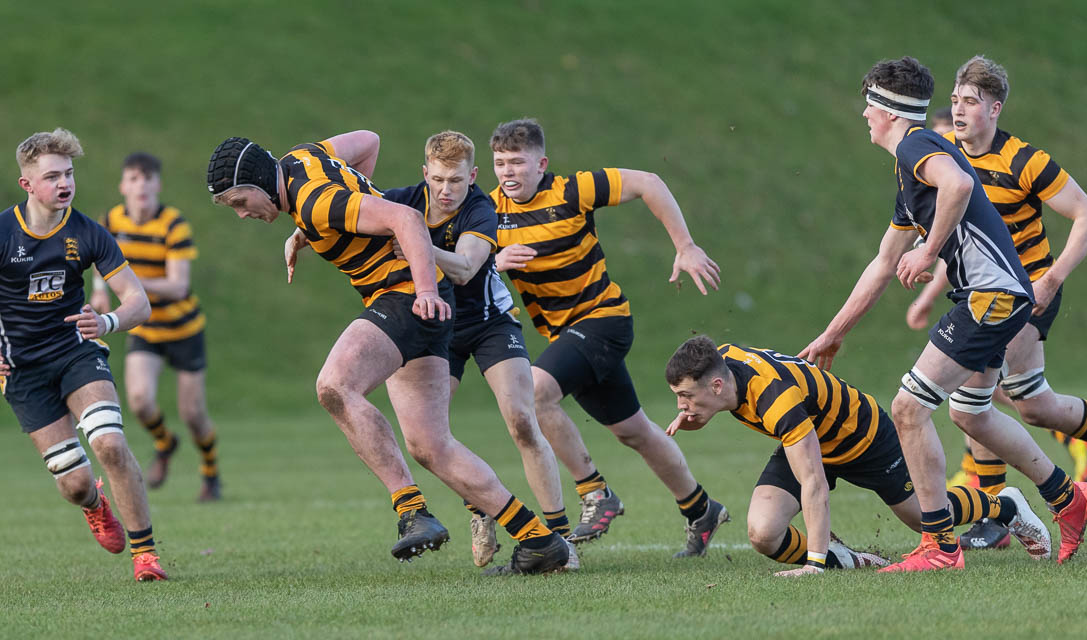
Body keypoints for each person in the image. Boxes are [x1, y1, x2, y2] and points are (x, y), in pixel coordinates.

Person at [207, 131, 571, 575]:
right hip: (424, 299)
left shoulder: (317, 201)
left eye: (241, 202)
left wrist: (420, 289)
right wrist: (347, 209)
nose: (243, 214)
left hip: (407, 297)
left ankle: (411, 510)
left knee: (335, 386)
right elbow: (369, 141)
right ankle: (539, 541)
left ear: (261, 182)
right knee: (430, 446)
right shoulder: (303, 158)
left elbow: (405, 219)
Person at [800, 57, 1087, 570]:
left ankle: (939, 547)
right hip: (993, 296)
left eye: (869, 104)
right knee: (969, 412)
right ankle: (1068, 498)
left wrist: (929, 247)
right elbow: (882, 264)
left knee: (909, 408)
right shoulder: (912, 167)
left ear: (890, 111)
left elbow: (959, 189)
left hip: (992, 298)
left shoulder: (918, 145)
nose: (864, 115)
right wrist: (832, 335)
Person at [0, 128, 166, 581]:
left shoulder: (88, 233)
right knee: (75, 483)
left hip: (77, 353)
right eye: (54, 176)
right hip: (22, 370)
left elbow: (138, 301)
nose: (65, 184)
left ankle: (146, 556)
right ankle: (96, 505)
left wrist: (107, 323)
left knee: (111, 445)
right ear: (28, 185)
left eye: (70, 174)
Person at [489, 118, 727, 557]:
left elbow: (649, 183)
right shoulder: (489, 213)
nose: (508, 173)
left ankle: (595, 493)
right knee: (634, 431)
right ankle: (701, 509)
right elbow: (462, 261)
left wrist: (685, 245)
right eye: (500, 163)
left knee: (535, 392)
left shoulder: (572, 191)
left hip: (604, 320)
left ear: (541, 164)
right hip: (569, 336)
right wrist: (493, 259)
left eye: (518, 163)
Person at [904, 56, 1087, 549]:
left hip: (1027, 293)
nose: (958, 110)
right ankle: (1029, 501)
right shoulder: (945, 156)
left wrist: (1052, 279)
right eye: (954, 100)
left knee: (972, 398)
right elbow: (957, 239)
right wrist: (930, 285)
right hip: (982, 292)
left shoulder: (1024, 160)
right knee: (1035, 406)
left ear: (995, 109)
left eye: (970, 102)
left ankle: (996, 514)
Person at [664, 336, 1051, 577]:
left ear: (715, 384)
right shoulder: (723, 363)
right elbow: (726, 403)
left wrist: (813, 566)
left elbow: (814, 482)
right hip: (809, 435)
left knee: (924, 519)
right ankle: (846, 560)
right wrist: (698, 414)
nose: (681, 405)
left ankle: (1005, 507)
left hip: (864, 437)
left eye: (685, 396)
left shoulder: (775, 399)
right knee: (763, 533)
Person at [373, 131, 571, 569]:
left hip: (488, 325)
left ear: (473, 176)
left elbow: (463, 269)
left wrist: (411, 240)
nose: (447, 191)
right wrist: (303, 233)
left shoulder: (481, 208)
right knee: (428, 437)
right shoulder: (404, 200)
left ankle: (558, 537)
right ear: (425, 174)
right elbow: (348, 214)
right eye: (439, 180)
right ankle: (479, 506)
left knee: (522, 418)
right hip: (434, 328)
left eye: (457, 181)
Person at [92, 152, 222, 502]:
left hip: (183, 328)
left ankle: (211, 472)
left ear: (158, 185)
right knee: (138, 400)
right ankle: (166, 442)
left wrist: (130, 285)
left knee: (193, 414)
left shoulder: (173, 224)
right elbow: (99, 262)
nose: (141, 186)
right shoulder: (111, 221)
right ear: (123, 186)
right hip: (146, 329)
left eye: (148, 178)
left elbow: (178, 285)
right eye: (134, 178)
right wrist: (101, 290)